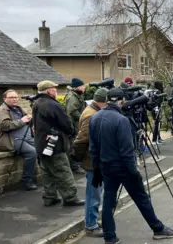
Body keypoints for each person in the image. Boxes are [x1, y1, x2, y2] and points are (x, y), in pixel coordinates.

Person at [89, 88, 173, 244]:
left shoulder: (94, 118)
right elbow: (127, 151)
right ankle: (158, 229)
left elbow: (93, 148)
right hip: (123, 167)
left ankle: (110, 237)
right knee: (142, 198)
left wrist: (97, 169)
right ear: (122, 101)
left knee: (108, 201)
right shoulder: (121, 120)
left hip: (106, 167)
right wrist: (134, 171)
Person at [33, 80, 84, 207]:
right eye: (54, 89)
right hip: (54, 143)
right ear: (49, 91)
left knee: (47, 171)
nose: (56, 91)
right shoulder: (52, 104)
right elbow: (66, 123)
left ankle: (50, 197)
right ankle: (70, 197)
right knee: (63, 170)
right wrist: (72, 131)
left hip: (41, 143)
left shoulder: (37, 103)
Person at [73, 88, 108, 237]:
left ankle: (92, 220)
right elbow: (81, 140)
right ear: (103, 102)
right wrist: (79, 158)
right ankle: (90, 225)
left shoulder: (92, 111)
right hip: (91, 161)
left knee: (95, 194)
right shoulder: (91, 115)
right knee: (93, 195)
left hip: (93, 160)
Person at [0, 89, 38, 190]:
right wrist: (22, 121)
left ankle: (43, 176)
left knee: (41, 147)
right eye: (11, 97)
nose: (14, 99)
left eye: (15, 97)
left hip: (24, 137)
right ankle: (27, 180)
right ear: (4, 99)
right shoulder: (1, 111)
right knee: (32, 152)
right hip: (10, 140)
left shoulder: (18, 108)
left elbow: (26, 120)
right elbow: (4, 125)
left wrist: (30, 120)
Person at [65, 77, 86, 174]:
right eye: (82, 86)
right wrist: (83, 116)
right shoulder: (72, 97)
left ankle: (77, 164)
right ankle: (74, 166)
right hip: (73, 125)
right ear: (77, 87)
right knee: (74, 145)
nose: (84, 88)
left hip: (77, 124)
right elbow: (72, 111)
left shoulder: (77, 95)